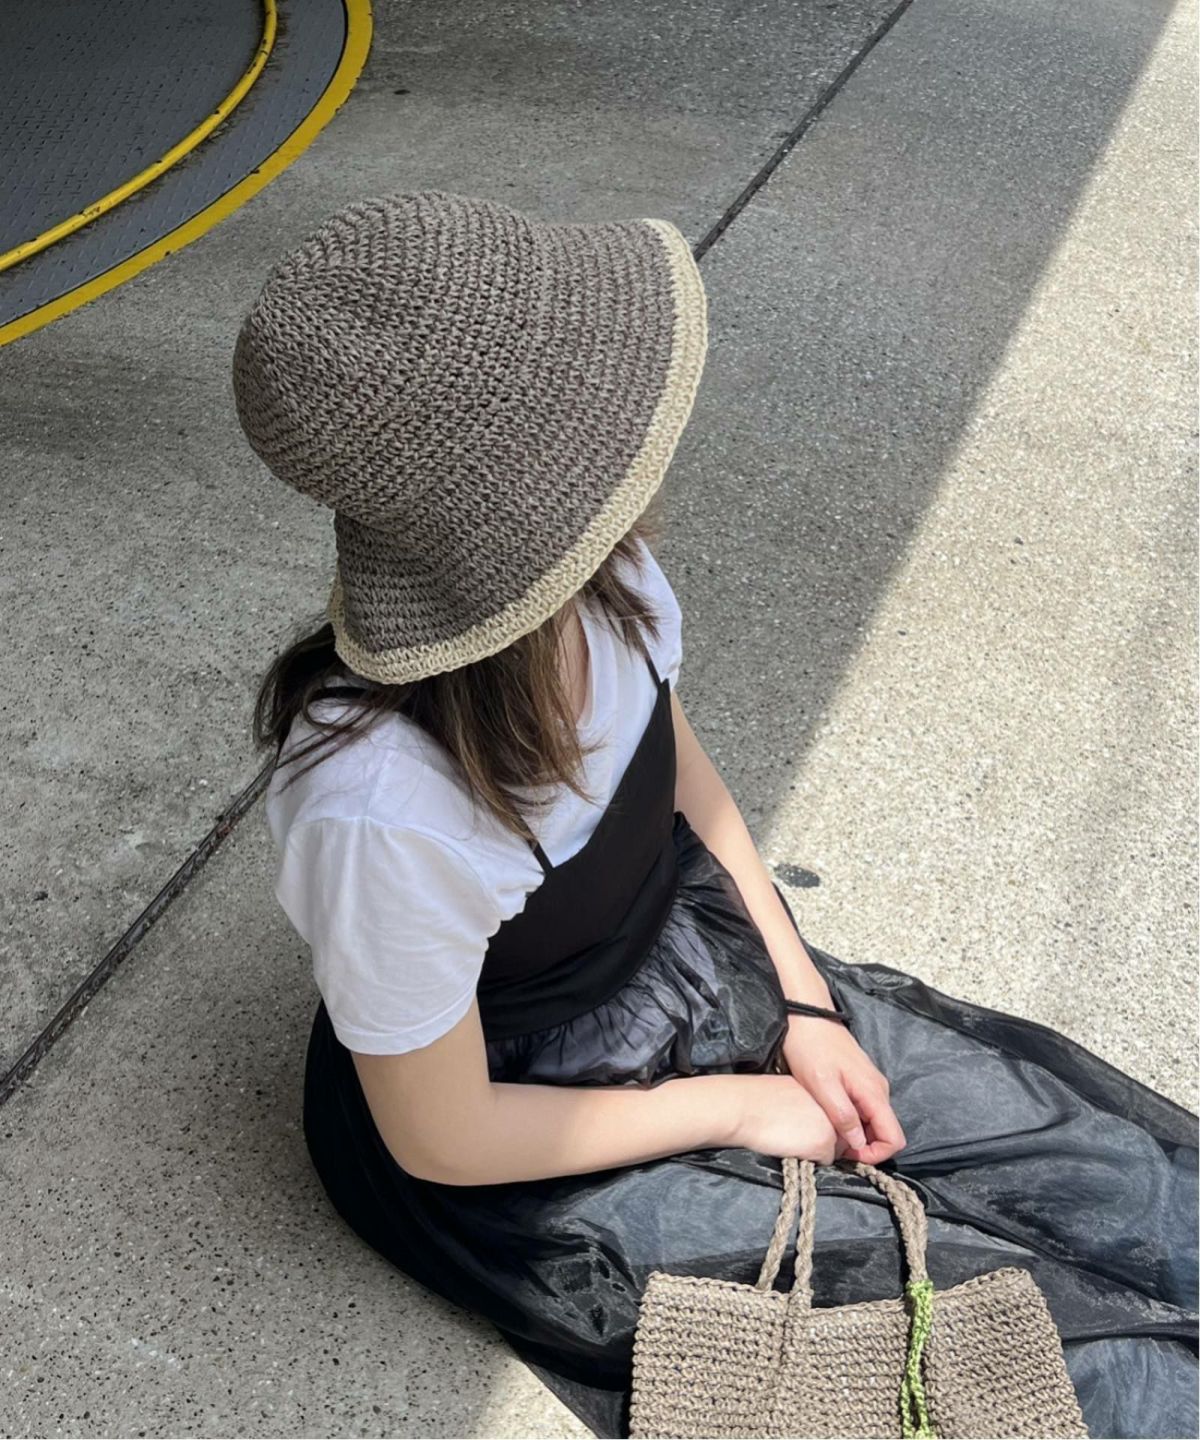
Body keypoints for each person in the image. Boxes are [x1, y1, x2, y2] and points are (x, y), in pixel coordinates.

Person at [232, 190, 1197, 1439]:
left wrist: (803, 1000)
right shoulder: (380, 811)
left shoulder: (606, 576)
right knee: (1018, 1351)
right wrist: (741, 1107)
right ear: (530, 495)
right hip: (525, 1128)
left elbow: (681, 779)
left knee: (1114, 1177)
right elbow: (443, 1134)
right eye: (592, 408)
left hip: (698, 960)